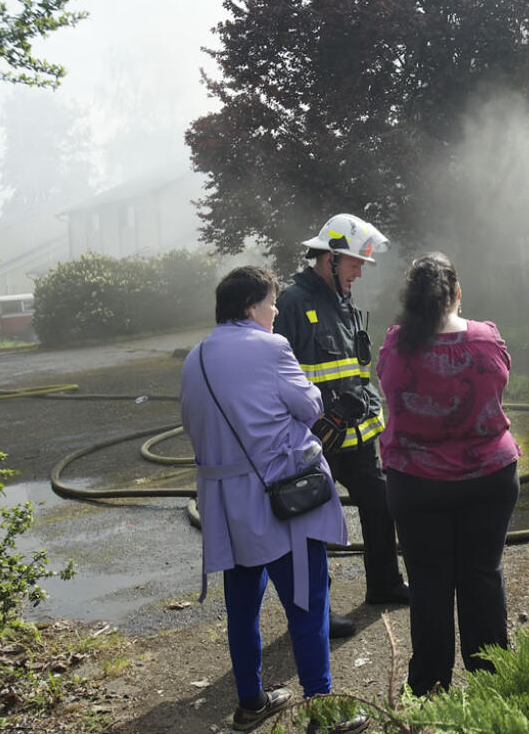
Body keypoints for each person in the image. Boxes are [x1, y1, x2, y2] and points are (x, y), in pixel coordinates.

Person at [179, 266, 367, 733]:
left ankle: (251, 703)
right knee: (308, 600)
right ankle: (323, 710)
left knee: (242, 606)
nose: (276, 311)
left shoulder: (195, 357)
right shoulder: (271, 347)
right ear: (250, 306)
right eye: (271, 303)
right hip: (282, 500)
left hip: (226, 506)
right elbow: (311, 407)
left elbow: (193, 425)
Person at [376, 252, 521, 697]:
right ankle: (493, 687)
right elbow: (500, 384)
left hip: (416, 483)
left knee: (429, 583)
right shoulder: (486, 338)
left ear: (411, 300)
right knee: (482, 575)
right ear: (458, 293)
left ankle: (428, 691)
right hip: (489, 477)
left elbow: (386, 387)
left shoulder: (397, 344)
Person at [273, 213, 408, 639]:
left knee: (380, 501)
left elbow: (352, 370)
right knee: (312, 522)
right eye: (354, 261)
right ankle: (318, 611)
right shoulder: (292, 303)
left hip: (356, 436)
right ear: (330, 258)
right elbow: (277, 374)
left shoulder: (342, 301)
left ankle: (384, 585)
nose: (360, 270)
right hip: (314, 439)